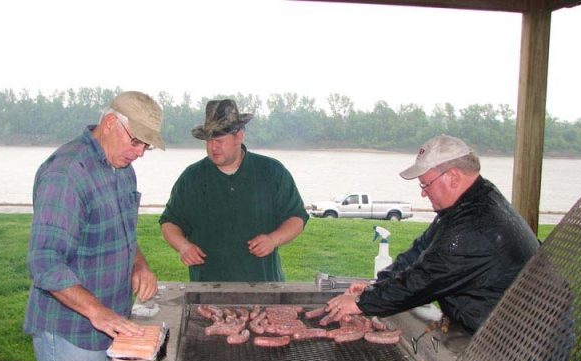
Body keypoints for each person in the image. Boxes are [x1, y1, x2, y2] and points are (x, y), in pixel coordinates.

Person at [24, 91, 164, 361]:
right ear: (111, 123)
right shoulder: (67, 172)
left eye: (146, 146)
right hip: (72, 330)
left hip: (110, 322)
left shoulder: (120, 167)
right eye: (136, 142)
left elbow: (122, 231)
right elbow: (44, 261)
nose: (140, 153)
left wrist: (139, 265)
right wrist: (97, 312)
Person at [325, 134, 539, 335]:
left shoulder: (474, 224)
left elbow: (423, 280)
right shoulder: (469, 202)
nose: (423, 192)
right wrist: (379, 285)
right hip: (493, 328)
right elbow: (420, 251)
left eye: (426, 184)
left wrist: (362, 303)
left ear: (453, 177)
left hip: (520, 343)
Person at [159, 99, 309, 282]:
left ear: (239, 136)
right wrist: (183, 246)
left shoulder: (272, 171)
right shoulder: (192, 177)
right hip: (206, 289)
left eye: (219, 140)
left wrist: (272, 240)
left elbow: (296, 218)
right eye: (208, 141)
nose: (213, 147)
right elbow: (169, 222)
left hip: (265, 285)